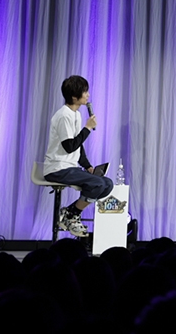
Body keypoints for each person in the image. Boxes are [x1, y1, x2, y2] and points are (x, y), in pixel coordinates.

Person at [43, 75, 114, 237]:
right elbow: (69, 146)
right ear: (74, 97)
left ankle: (70, 212)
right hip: (57, 168)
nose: (88, 95)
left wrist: (87, 166)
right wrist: (87, 128)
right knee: (97, 184)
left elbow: (78, 145)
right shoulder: (64, 115)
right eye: (85, 92)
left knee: (107, 184)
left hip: (70, 167)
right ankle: (72, 215)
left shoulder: (76, 114)